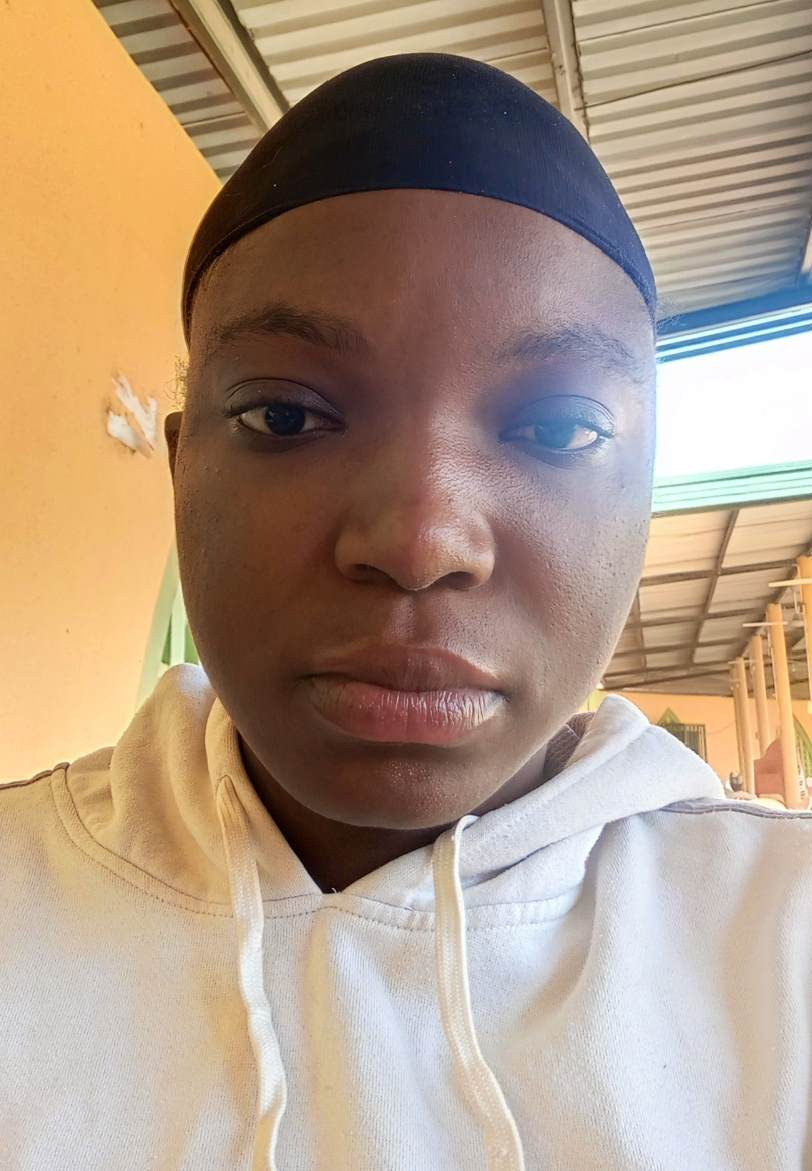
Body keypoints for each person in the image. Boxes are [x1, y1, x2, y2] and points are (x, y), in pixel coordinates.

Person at [2, 53, 811, 1171]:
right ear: (180, 471)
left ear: (642, 499)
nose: (422, 543)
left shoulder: (780, 941)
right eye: (287, 417)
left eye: (557, 428)